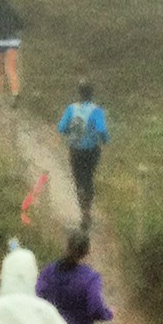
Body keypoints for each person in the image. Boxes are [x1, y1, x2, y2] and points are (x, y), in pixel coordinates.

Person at [56, 80, 110, 228]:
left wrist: (70, 133)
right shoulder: (96, 110)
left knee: (79, 178)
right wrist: (105, 140)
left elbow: (61, 128)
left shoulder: (71, 109)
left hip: (75, 149)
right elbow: (101, 130)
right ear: (92, 94)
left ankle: (83, 208)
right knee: (89, 177)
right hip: (92, 150)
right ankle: (87, 210)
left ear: (79, 93)